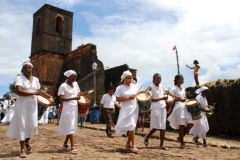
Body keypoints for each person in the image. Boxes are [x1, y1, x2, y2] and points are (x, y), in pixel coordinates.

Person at [6, 61, 52, 158]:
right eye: (25, 68)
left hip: (32, 106)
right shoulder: (19, 78)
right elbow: (19, 91)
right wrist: (34, 93)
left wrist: (48, 96)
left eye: (29, 68)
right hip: (22, 105)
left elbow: (39, 91)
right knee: (22, 125)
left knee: (33, 125)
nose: (27, 69)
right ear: (23, 69)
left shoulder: (35, 79)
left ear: (31, 69)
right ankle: (22, 149)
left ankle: (26, 142)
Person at [114, 70, 139, 153]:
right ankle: (133, 145)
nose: (129, 79)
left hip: (134, 107)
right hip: (126, 108)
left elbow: (138, 96)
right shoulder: (119, 88)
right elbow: (117, 99)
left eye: (130, 78)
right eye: (128, 78)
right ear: (124, 79)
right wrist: (128, 98)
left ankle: (129, 144)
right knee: (131, 125)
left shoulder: (135, 86)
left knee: (132, 125)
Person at [58, 70, 80, 154]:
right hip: (67, 109)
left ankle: (65, 143)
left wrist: (81, 96)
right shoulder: (63, 86)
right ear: (68, 76)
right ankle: (72, 147)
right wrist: (73, 98)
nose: (75, 78)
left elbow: (78, 94)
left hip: (75, 108)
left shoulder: (75, 84)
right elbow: (62, 98)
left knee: (72, 125)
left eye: (75, 76)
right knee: (70, 125)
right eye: (73, 76)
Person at [167, 74, 193, 149]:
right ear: (177, 80)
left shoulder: (183, 88)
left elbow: (184, 98)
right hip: (178, 108)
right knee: (181, 125)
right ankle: (182, 142)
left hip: (185, 107)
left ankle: (180, 137)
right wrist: (178, 99)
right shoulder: (173, 88)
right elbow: (170, 98)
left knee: (190, 123)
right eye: (182, 79)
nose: (183, 80)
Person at [144, 73, 169, 150]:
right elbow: (151, 99)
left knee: (163, 126)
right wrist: (161, 98)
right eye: (157, 78)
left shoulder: (162, 86)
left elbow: (165, 94)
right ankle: (147, 136)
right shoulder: (151, 87)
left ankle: (161, 145)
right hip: (155, 108)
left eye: (160, 78)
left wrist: (167, 98)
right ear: (153, 79)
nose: (159, 80)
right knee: (156, 126)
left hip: (163, 107)